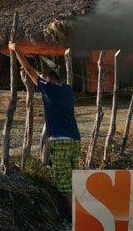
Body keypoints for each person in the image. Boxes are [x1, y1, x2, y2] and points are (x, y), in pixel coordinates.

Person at [9, 41, 80, 213]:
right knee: (75, 177)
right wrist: (41, 73)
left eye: (43, 79)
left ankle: (73, 215)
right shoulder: (66, 89)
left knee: (64, 181)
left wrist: (16, 50)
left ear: (47, 80)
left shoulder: (49, 89)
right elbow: (40, 75)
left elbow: (29, 69)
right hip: (75, 140)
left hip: (60, 140)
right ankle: (81, 210)